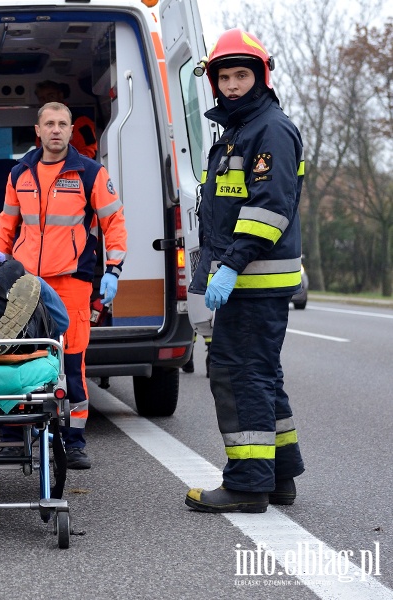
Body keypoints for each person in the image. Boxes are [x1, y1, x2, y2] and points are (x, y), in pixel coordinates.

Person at [184, 28, 305, 513]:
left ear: (261, 76)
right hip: (248, 280)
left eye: (241, 74)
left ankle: (247, 484)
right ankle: (279, 477)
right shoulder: (241, 128)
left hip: (253, 280)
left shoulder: (268, 129)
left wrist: (231, 265)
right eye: (225, 76)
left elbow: (270, 208)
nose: (232, 85)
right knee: (262, 376)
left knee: (239, 376)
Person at [0, 101, 128, 470]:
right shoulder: (19, 173)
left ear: (71, 131)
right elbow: (6, 226)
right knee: (18, 358)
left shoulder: (90, 173)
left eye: (62, 124)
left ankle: (74, 441)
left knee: (70, 362)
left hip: (71, 282)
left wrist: (113, 271)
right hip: (24, 284)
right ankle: (13, 436)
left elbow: (113, 222)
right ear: (37, 130)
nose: (56, 129)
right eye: (49, 123)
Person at [34, 80, 98, 159]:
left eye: (51, 96)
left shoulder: (80, 121)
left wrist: (66, 164)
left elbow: (90, 151)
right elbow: (39, 153)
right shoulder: (42, 126)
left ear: (60, 96)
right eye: (42, 99)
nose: (47, 101)